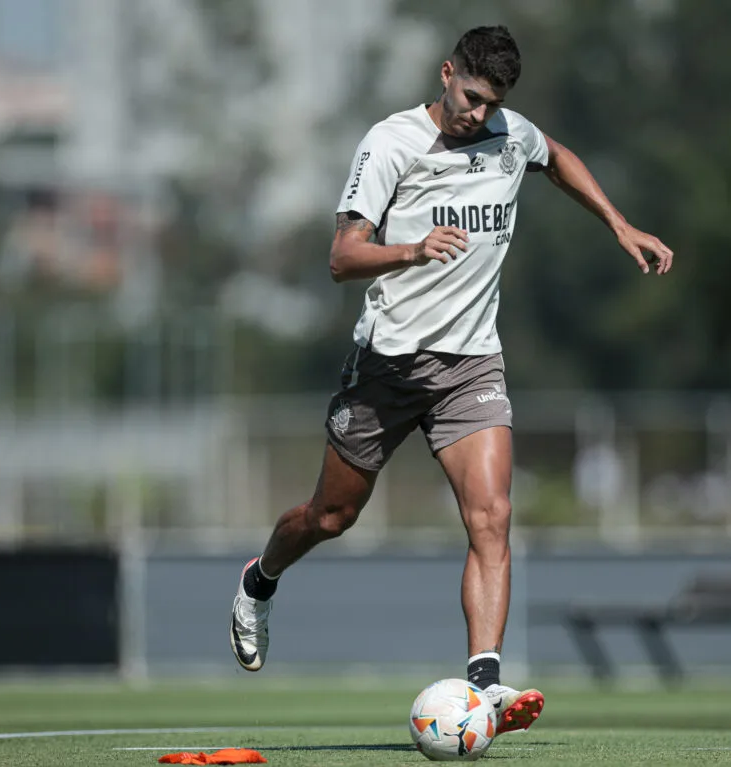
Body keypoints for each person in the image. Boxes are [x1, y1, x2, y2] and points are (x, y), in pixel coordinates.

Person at [230, 25, 673, 734]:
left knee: (491, 515)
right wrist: (412, 249)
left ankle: (483, 683)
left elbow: (555, 157)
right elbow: (343, 257)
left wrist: (618, 224)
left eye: (489, 102)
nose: (477, 114)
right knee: (330, 516)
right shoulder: (391, 143)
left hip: (471, 364)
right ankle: (260, 579)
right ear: (445, 74)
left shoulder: (509, 133)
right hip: (389, 365)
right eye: (469, 96)